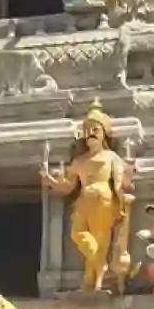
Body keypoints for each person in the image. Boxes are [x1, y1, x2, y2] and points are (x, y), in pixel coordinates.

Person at [41, 105, 136, 293]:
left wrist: (123, 191)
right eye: (87, 130)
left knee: (101, 239)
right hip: (84, 200)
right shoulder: (79, 161)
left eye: (96, 129)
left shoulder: (111, 157)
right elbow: (68, 185)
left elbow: (119, 180)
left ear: (104, 134)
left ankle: (94, 281)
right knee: (78, 234)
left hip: (103, 199)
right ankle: (100, 266)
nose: (91, 133)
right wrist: (51, 182)